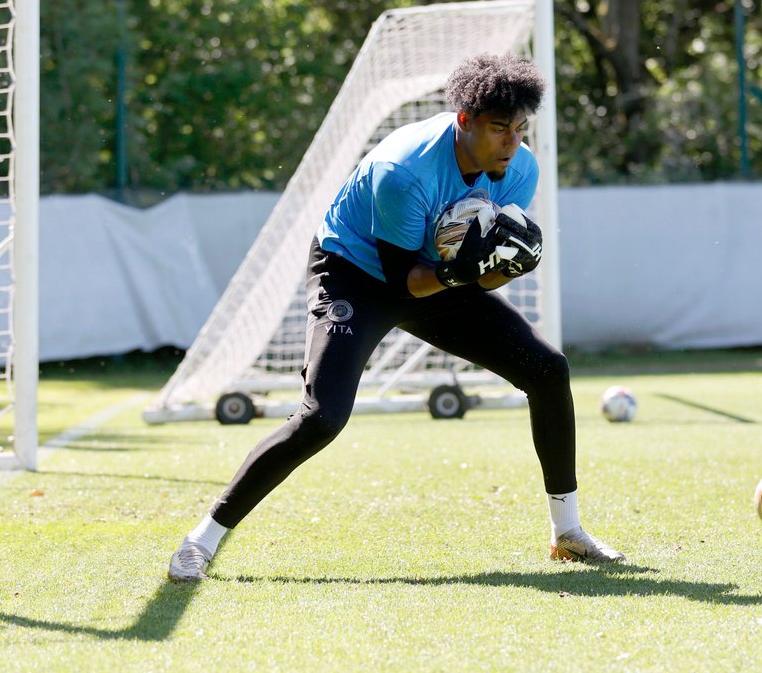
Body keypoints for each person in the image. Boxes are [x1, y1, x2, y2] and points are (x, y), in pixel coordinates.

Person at [167, 53, 624, 582]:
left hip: (433, 275)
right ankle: (201, 540)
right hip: (357, 273)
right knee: (322, 418)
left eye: (521, 128)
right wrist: (463, 273)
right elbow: (405, 282)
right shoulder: (403, 171)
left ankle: (567, 532)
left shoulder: (520, 167)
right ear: (464, 121)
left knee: (547, 370)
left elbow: (481, 276)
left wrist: (507, 266)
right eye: (500, 128)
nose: (512, 142)